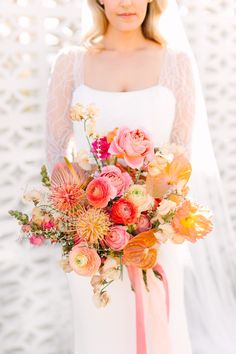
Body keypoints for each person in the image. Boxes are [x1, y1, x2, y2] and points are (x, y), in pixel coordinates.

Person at [45, 0, 236, 353]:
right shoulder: (70, 63)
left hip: (154, 242)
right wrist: (89, 218)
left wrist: (147, 218)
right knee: (100, 335)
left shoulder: (175, 63)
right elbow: (56, 155)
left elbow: (180, 157)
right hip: (89, 243)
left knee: (158, 330)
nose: (126, 3)